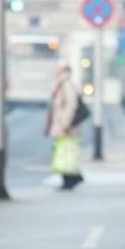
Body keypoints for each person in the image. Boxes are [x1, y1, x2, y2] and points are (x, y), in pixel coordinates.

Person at [46, 62, 84, 190]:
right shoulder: (60, 83)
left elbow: (71, 104)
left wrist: (65, 123)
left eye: (57, 68)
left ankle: (71, 179)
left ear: (63, 70)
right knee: (63, 151)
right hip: (61, 124)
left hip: (64, 125)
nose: (55, 70)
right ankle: (69, 178)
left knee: (66, 152)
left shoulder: (66, 84)